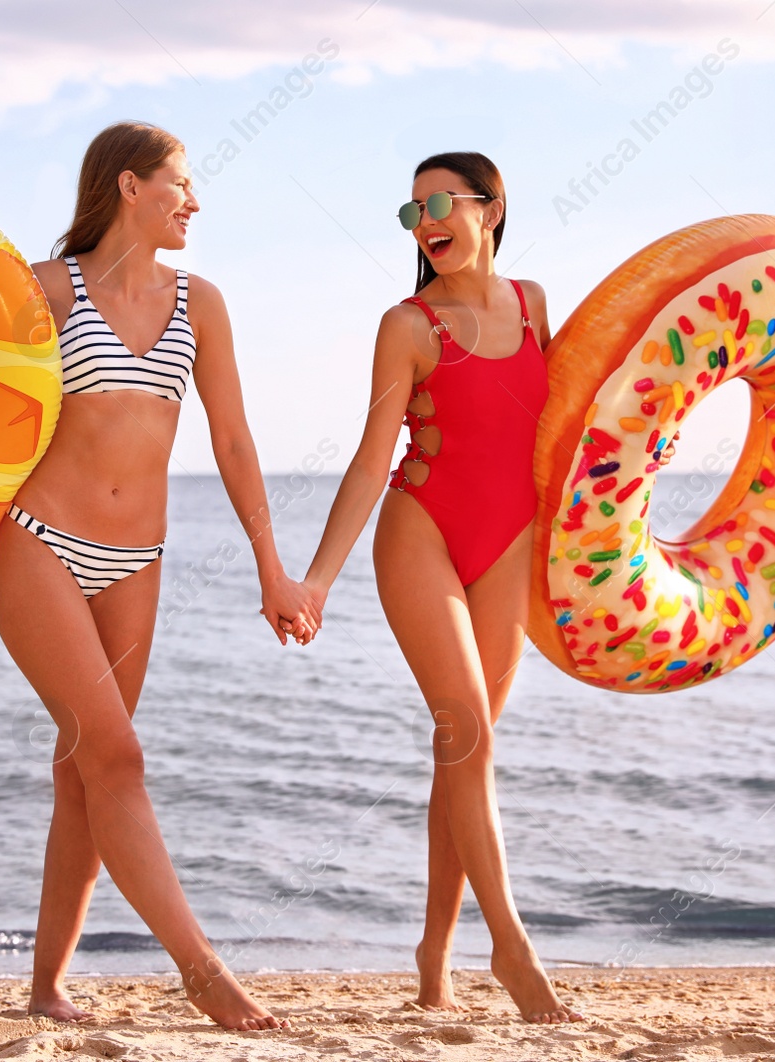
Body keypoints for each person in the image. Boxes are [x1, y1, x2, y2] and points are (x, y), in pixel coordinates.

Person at [0, 121, 316, 1030]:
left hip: (139, 560)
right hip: (40, 541)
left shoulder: (200, 302)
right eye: (181, 183)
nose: (194, 202)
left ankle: (47, 988)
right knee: (118, 756)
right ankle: (202, 970)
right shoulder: (46, 289)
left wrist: (272, 570)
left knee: (83, 773)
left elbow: (235, 441)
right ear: (128, 187)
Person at [298, 152, 581, 1023]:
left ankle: (434, 959)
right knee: (467, 730)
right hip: (420, 528)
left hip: (510, 542)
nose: (425, 222)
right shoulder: (408, 325)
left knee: (464, 749)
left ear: (490, 210)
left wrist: (644, 456)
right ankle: (512, 949)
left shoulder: (534, 306)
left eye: (440, 202)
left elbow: (576, 427)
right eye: (413, 210)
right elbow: (371, 454)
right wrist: (315, 581)